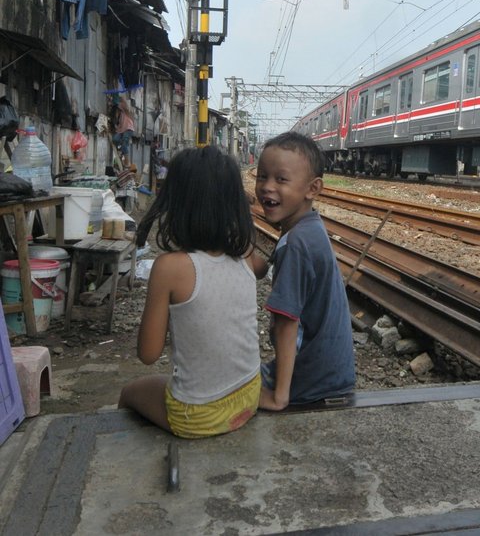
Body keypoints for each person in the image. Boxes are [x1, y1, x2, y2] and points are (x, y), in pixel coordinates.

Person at [118, 145, 265, 438]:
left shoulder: (169, 268)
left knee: (130, 392)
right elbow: (259, 270)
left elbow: (147, 354)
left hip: (197, 416)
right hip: (250, 396)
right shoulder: (247, 256)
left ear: (177, 206)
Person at [254, 131, 355, 411]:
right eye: (262, 176)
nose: (267, 187)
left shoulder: (296, 243)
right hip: (331, 375)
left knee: (219, 382)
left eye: (281, 179)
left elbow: (287, 322)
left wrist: (279, 397)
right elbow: (264, 268)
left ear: (313, 188)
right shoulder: (308, 227)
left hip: (310, 383)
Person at [111, 94, 135, 163]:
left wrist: (121, 98)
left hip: (128, 128)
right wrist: (116, 127)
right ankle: (121, 151)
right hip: (122, 130)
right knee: (115, 139)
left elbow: (125, 106)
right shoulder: (119, 115)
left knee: (124, 143)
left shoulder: (125, 111)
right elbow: (119, 125)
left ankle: (127, 160)